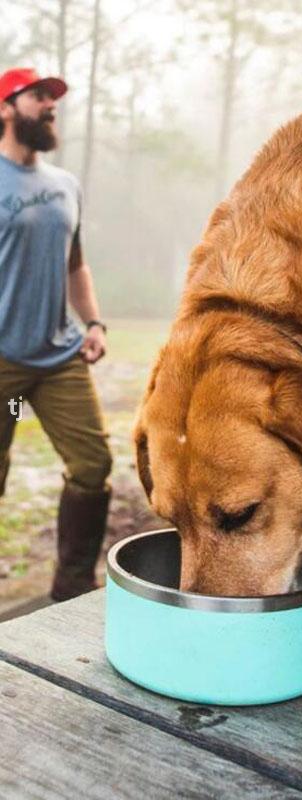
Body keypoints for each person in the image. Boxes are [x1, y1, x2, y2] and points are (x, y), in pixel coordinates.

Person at [0, 67, 112, 601]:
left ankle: (72, 586)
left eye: (53, 98)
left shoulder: (65, 184)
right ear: (5, 108)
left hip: (58, 357)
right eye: (37, 96)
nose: (49, 105)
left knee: (93, 464)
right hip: (2, 365)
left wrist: (92, 321)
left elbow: (76, 265)